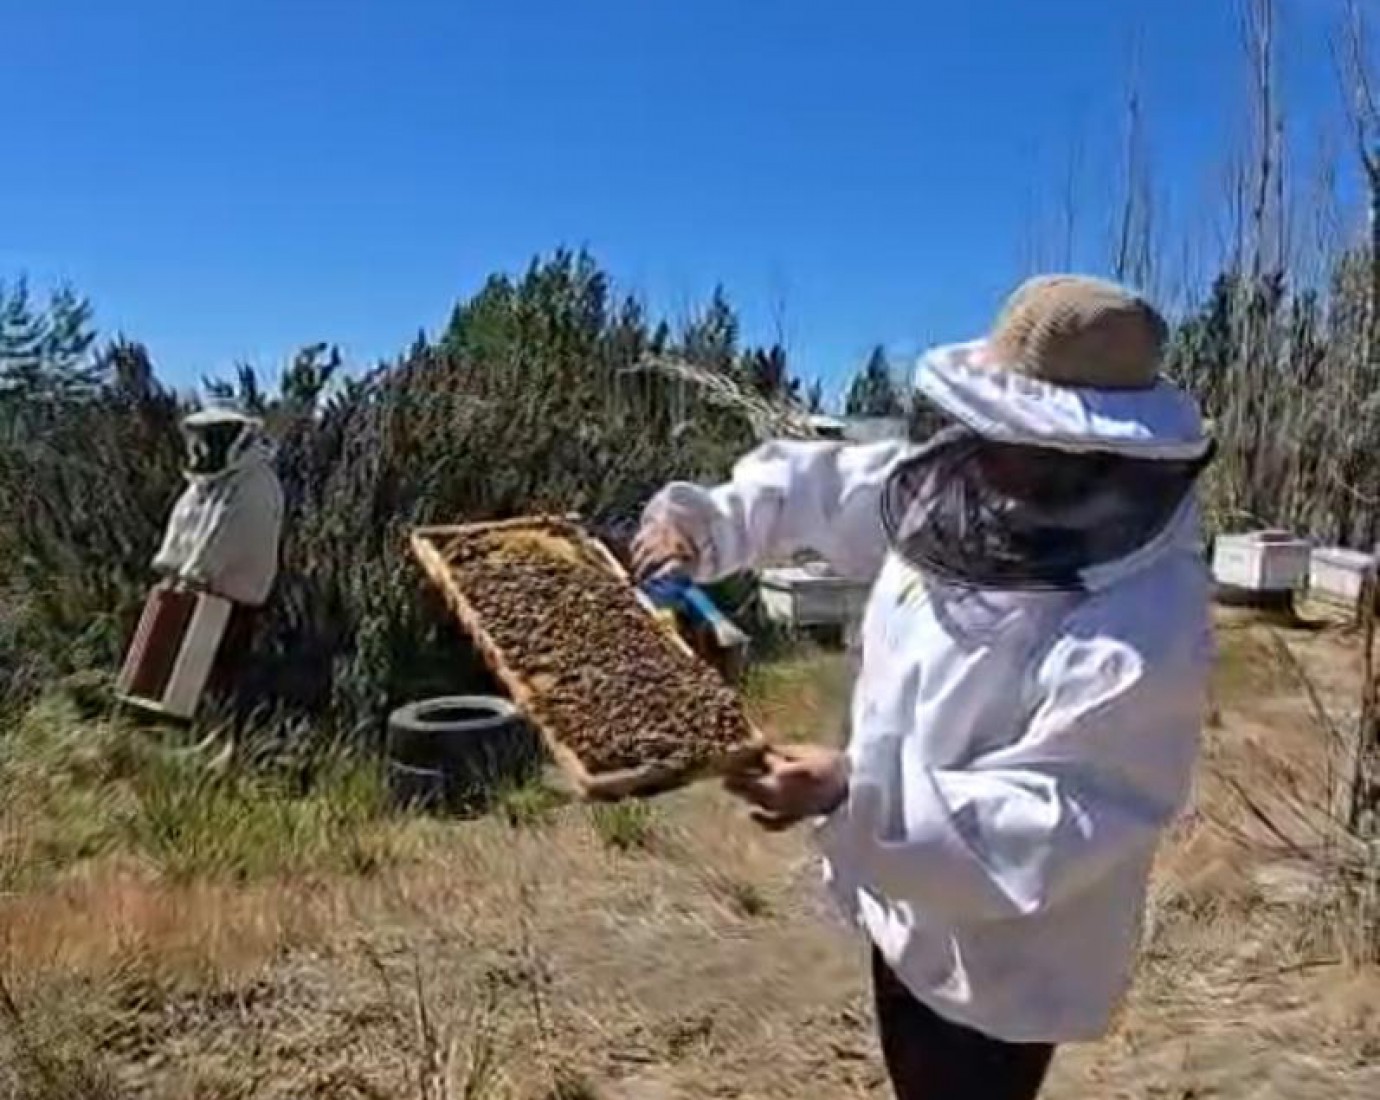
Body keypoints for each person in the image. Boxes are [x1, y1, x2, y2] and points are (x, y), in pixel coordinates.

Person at [632, 276, 1214, 1100]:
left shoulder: (1146, 616)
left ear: (1098, 449)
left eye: (1023, 433)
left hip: (1008, 961)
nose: (989, 450)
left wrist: (852, 792)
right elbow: (817, 488)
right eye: (992, 424)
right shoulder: (963, 487)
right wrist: (699, 523)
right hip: (904, 898)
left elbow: (1058, 821)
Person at [152, 406, 285, 695]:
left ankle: (219, 731)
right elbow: (182, 523)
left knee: (216, 678)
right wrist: (171, 567)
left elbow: (229, 532)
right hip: (194, 592)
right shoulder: (206, 484)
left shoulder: (256, 483)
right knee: (173, 676)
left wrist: (197, 573)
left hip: (233, 601)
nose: (201, 448)